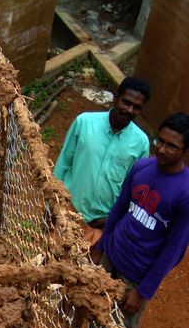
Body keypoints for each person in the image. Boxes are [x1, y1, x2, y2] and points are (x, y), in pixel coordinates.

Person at [85, 112, 189, 328]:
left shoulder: (186, 193)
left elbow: (174, 251)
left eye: (172, 146)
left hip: (136, 275)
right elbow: (119, 208)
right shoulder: (143, 167)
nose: (162, 149)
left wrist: (142, 290)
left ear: (185, 151)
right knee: (95, 312)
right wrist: (101, 246)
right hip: (113, 255)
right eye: (160, 140)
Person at [54, 76, 151, 247]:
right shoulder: (84, 122)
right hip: (68, 210)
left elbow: (134, 189)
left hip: (102, 224)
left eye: (137, 107)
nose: (129, 110)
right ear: (116, 97)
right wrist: (53, 202)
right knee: (51, 261)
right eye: (126, 102)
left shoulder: (141, 142)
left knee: (81, 271)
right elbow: (63, 163)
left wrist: (112, 219)